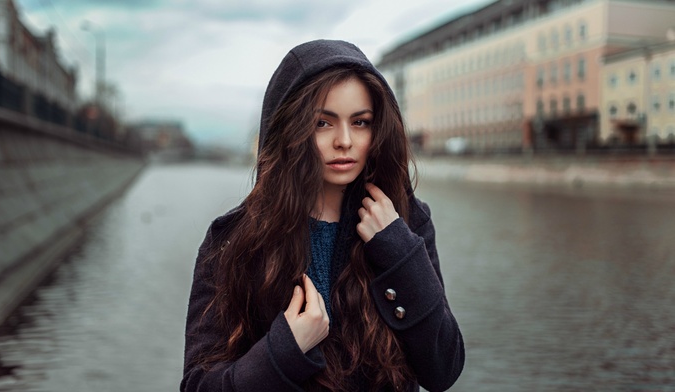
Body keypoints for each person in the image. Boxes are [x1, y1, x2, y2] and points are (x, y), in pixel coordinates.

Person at [181, 39, 464, 392]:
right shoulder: (233, 239)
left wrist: (397, 251)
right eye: (323, 124)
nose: (344, 140)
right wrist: (283, 351)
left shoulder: (405, 222)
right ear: (290, 131)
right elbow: (197, 385)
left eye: (360, 122)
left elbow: (443, 369)